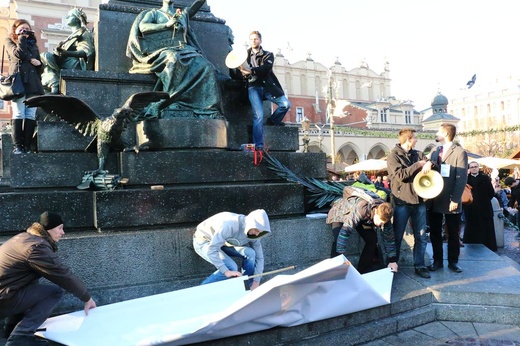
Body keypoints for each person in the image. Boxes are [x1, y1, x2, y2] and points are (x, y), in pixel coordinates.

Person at [0, 212, 96, 345]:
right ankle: (21, 337)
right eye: (60, 228)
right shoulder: (36, 247)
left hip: (5, 294)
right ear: (48, 229)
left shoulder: (23, 238)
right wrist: (86, 297)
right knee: (54, 292)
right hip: (3, 298)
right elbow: (63, 275)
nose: (62, 232)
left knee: (29, 288)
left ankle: (10, 331)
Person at [126, 0, 222, 117]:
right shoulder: (154, 13)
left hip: (184, 48)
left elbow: (195, 6)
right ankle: (170, 101)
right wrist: (166, 25)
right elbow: (143, 26)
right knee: (174, 59)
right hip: (162, 49)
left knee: (206, 66)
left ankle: (208, 108)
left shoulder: (182, 14)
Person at [386, 128, 432, 278]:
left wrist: (429, 164)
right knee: (397, 236)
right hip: (402, 201)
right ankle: (392, 264)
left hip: (419, 200)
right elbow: (400, 176)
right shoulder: (393, 156)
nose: (417, 140)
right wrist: (419, 165)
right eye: (415, 138)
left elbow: (429, 162)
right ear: (408, 139)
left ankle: (420, 266)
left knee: (421, 235)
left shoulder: (418, 154)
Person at [237, 31, 291, 151]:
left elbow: (265, 69)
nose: (253, 41)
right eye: (251, 39)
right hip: (253, 88)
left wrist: (251, 70)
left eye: (255, 39)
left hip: (268, 87)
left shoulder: (268, 54)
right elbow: (238, 73)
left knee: (286, 104)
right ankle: (259, 145)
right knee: (258, 116)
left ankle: (272, 121)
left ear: (260, 40)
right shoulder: (244, 55)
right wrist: (241, 72)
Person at [192, 209, 271, 291]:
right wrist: (226, 272)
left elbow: (259, 257)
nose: (257, 234)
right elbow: (212, 250)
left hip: (223, 243)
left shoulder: (254, 234)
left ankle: (248, 287)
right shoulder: (230, 225)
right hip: (204, 242)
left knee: (250, 253)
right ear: (251, 224)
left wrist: (256, 282)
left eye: (259, 232)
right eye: (256, 230)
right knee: (231, 267)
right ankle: (200, 290)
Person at [326, 186, 398, 274]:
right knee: (338, 239)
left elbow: (389, 238)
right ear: (375, 211)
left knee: (372, 240)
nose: (380, 224)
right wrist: (342, 257)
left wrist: (392, 260)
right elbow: (345, 231)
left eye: (383, 223)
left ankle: (362, 271)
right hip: (341, 213)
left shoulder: (385, 214)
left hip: (363, 219)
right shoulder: (361, 209)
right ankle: (334, 271)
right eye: (379, 221)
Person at [428, 123, 468, 273]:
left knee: (453, 233)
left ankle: (453, 262)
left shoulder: (459, 152)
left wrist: (456, 199)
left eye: (438, 131)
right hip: (434, 197)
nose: (436, 133)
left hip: (451, 198)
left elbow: (461, 178)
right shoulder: (434, 150)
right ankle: (437, 261)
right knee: (435, 232)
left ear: (445, 133)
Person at [4, 19, 45, 154]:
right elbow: (18, 54)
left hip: (33, 85)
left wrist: (39, 64)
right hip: (19, 83)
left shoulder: (33, 45)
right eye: (21, 29)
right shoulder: (10, 42)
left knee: (30, 115)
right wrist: (22, 38)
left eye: (26, 29)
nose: (24, 31)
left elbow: (40, 68)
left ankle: (27, 146)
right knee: (19, 112)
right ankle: (18, 146)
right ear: (15, 30)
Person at [40, 8, 95, 94]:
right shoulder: (72, 35)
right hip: (65, 62)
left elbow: (87, 52)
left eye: (70, 15)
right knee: (45, 58)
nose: (67, 17)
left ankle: (55, 84)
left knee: (46, 57)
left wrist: (66, 53)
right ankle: (53, 84)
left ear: (77, 18)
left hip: (74, 64)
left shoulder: (83, 33)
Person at [462, 162, 497, 251]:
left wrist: (484, 200)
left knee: (486, 227)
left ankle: (488, 245)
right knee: (471, 226)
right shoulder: (466, 179)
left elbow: (491, 193)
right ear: (469, 168)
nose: (474, 168)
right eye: (472, 167)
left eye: (475, 167)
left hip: (484, 207)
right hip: (471, 207)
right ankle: (472, 244)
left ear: (478, 167)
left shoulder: (485, 178)